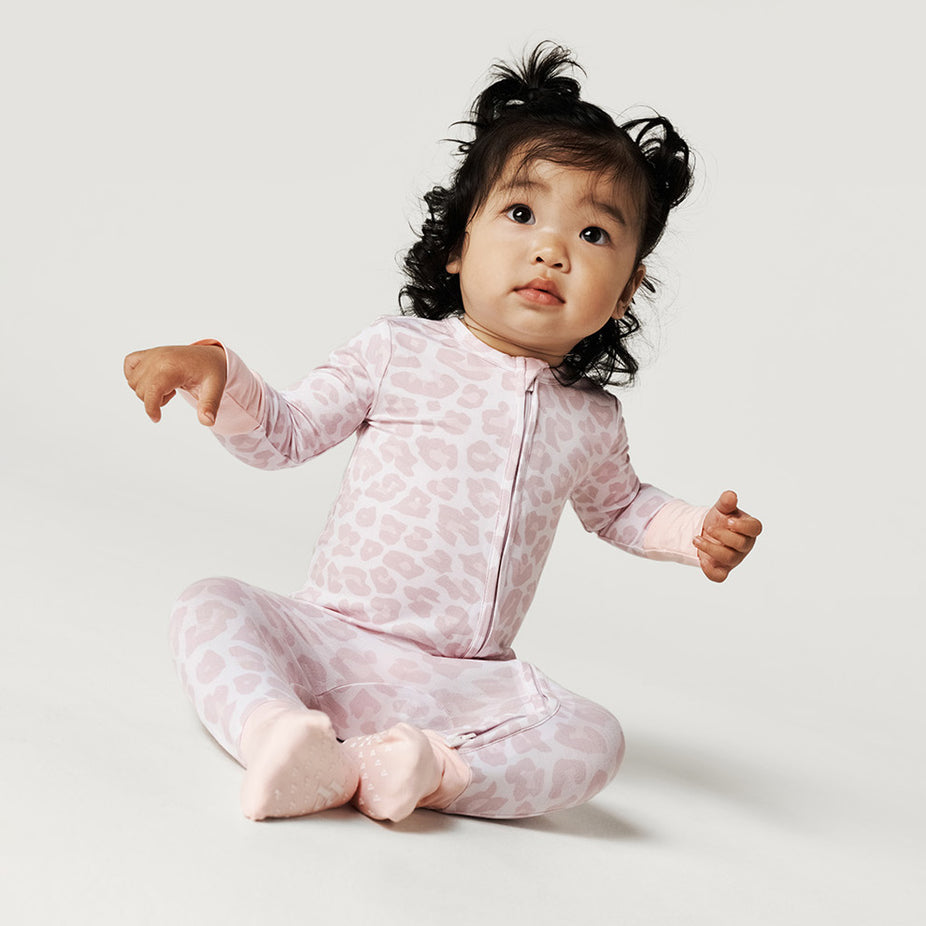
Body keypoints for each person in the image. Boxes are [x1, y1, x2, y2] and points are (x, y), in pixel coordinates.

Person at [124, 43, 761, 823]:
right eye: (521, 214)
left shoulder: (590, 417)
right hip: (332, 641)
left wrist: (697, 531)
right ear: (458, 245)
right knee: (210, 605)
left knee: (595, 739)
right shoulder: (398, 351)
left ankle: (427, 771)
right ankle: (279, 733)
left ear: (627, 291)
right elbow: (285, 434)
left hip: (465, 684)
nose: (552, 249)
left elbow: (621, 508)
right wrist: (220, 375)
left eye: (595, 234)